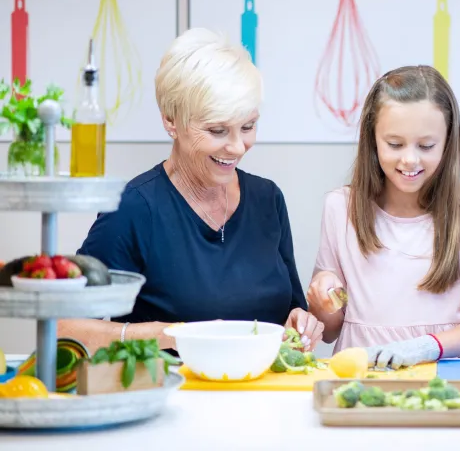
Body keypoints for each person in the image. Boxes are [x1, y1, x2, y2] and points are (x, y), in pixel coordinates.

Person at [58, 28, 323, 353]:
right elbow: (66, 328)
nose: (238, 147)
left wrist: (299, 322)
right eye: (217, 130)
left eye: (248, 126)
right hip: (171, 395)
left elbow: (290, 311)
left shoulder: (268, 199)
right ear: (171, 121)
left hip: (263, 397)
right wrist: (169, 334)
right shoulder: (133, 209)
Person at [306, 65, 460, 369]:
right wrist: (324, 299)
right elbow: (331, 328)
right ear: (372, 139)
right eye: (395, 144)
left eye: (426, 146)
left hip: (446, 378)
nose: (410, 159)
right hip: (363, 377)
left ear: (447, 142)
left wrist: (425, 348)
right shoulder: (341, 207)